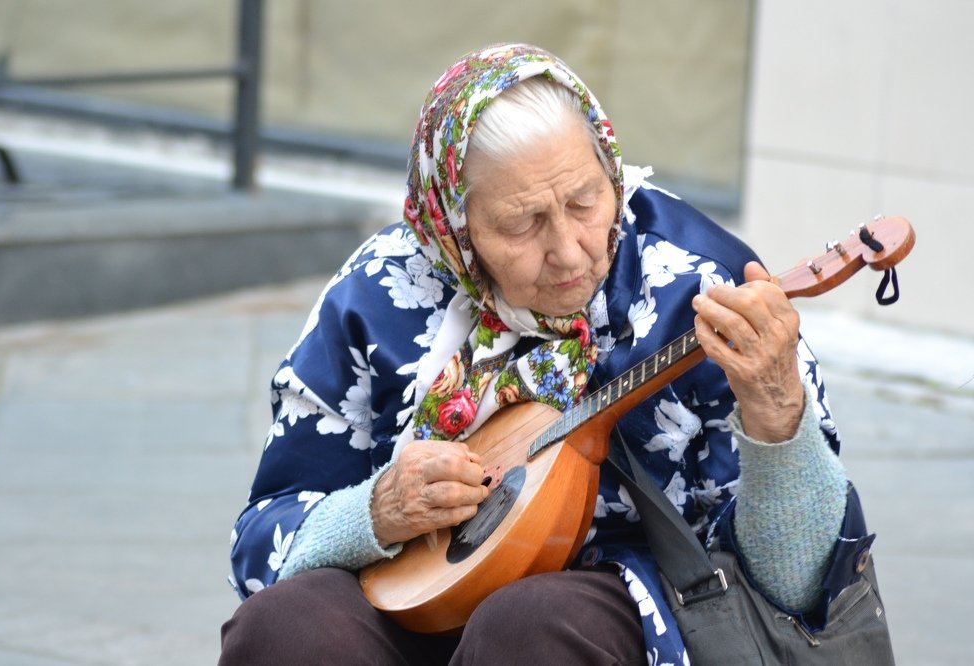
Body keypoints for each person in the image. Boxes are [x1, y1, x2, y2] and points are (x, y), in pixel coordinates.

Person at [218, 44, 875, 665]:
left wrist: (777, 414)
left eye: (585, 201)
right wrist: (374, 513)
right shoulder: (381, 292)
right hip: (415, 597)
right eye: (521, 223)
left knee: (529, 626)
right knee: (285, 627)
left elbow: (796, 590)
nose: (568, 251)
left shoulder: (702, 287)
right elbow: (262, 539)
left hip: (617, 624)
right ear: (453, 227)